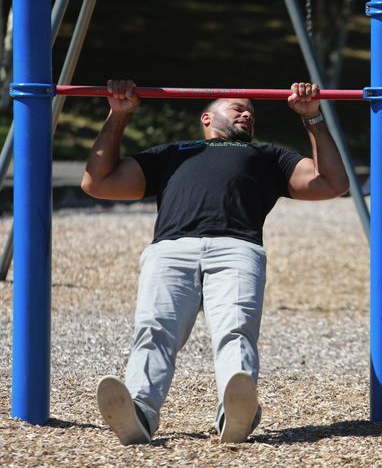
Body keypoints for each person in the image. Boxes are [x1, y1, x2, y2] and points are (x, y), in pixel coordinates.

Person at [82, 80, 349, 445]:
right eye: (237, 107)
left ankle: (234, 412)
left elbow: (333, 183)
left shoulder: (267, 155)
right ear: (206, 118)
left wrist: (313, 118)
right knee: (155, 330)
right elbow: (97, 182)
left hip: (236, 249)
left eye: (252, 112)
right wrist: (119, 114)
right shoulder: (174, 152)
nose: (246, 113)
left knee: (235, 330)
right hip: (171, 250)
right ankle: (140, 412)